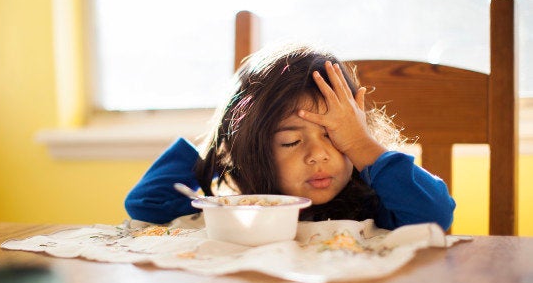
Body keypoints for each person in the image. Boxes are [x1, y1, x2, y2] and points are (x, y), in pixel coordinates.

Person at [124, 42, 455, 231]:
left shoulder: (374, 205)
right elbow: (146, 207)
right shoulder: (240, 211)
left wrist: (359, 144)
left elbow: (435, 216)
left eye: (336, 136)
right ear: (254, 152)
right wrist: (220, 146)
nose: (318, 154)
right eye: (290, 142)